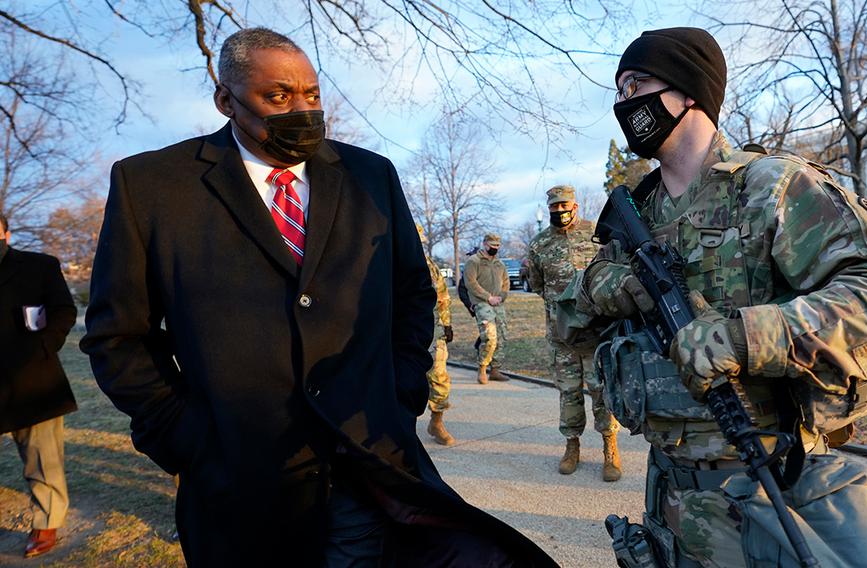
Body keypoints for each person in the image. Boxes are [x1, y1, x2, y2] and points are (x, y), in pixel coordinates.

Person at [80, 28, 556, 567]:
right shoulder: (152, 187)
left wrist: (402, 391)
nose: (301, 109)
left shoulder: (370, 174)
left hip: (367, 465)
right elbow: (118, 337)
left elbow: (411, 291)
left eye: (311, 94)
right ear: (225, 100)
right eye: (278, 97)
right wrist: (184, 435)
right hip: (240, 483)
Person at [562, 27, 867, 567]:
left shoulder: (771, 187)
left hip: (767, 492)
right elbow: (569, 323)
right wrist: (601, 286)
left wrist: (748, 337)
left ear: (689, 90)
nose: (623, 103)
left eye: (637, 85)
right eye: (619, 90)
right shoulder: (636, 214)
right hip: (667, 493)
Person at [527, 185, 622, 481]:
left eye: (564, 205)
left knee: (601, 391)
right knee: (568, 392)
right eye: (554, 207)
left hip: (595, 332)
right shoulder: (539, 244)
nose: (559, 211)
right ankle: (572, 446)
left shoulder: (597, 234)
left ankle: (610, 448)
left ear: (575, 206)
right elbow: (538, 284)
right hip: (562, 334)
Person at [0, 212, 77, 558]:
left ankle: (46, 523)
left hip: (31, 376)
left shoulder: (40, 266)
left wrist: (43, 346)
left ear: (7, 233)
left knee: (42, 456)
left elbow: (64, 310)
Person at [416, 224, 456, 446]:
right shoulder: (387, 263)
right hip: (400, 332)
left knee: (440, 378)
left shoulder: (430, 266)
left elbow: (443, 296)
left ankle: (437, 421)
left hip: (433, 330)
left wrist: (447, 324)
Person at [463, 233, 510, 384]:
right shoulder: (473, 261)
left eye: (497, 246)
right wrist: (487, 297)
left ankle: (495, 370)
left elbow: (505, 282)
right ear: (485, 244)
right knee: (490, 336)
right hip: (483, 303)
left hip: (498, 304)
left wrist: (501, 297)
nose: (495, 248)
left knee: (502, 337)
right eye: (492, 245)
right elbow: (470, 283)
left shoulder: (499, 264)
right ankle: (482, 367)